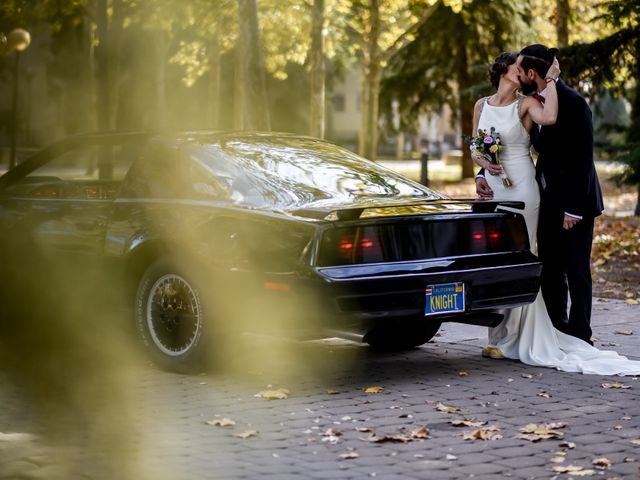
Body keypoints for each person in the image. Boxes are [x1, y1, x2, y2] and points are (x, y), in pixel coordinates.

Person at [472, 48, 639, 375]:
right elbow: (491, 146)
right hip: (539, 196)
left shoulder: (569, 102)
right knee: (547, 267)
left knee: (576, 269)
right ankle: (555, 324)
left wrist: (574, 208)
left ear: (531, 73)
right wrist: (481, 171)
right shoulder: (513, 101)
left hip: (572, 202)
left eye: (523, 67)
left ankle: (581, 334)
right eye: (515, 66)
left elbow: (581, 159)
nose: (519, 71)